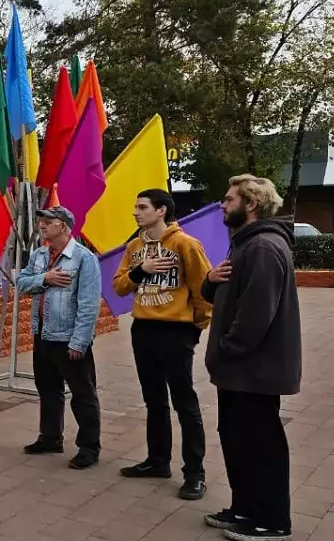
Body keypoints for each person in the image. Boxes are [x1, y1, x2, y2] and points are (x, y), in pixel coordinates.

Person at [202, 174, 301, 541]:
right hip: (238, 370)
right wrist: (210, 280)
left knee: (261, 442)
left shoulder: (262, 247)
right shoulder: (243, 244)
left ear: (251, 204)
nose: (223, 205)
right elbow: (221, 296)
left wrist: (228, 349)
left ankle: (274, 521)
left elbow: (257, 314)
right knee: (237, 438)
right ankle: (244, 508)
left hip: (254, 369)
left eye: (229, 200)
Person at [113, 189, 213, 500]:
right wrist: (139, 270)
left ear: (161, 211)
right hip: (143, 329)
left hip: (175, 331)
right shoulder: (134, 247)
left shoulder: (185, 244)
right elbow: (118, 287)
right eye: (136, 206)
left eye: (142, 207)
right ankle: (158, 461)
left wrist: (196, 327)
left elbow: (204, 289)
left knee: (185, 403)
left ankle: (195, 473)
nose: (136, 212)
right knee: (154, 400)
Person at [17, 206, 103, 470]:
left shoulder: (83, 258)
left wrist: (79, 341)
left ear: (64, 226)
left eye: (48, 222)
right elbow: (21, 283)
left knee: (82, 393)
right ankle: (51, 437)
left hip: (69, 337)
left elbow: (89, 304)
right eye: (41, 221)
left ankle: (89, 447)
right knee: (48, 389)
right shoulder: (40, 255)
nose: (42, 225)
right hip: (43, 333)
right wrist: (46, 278)